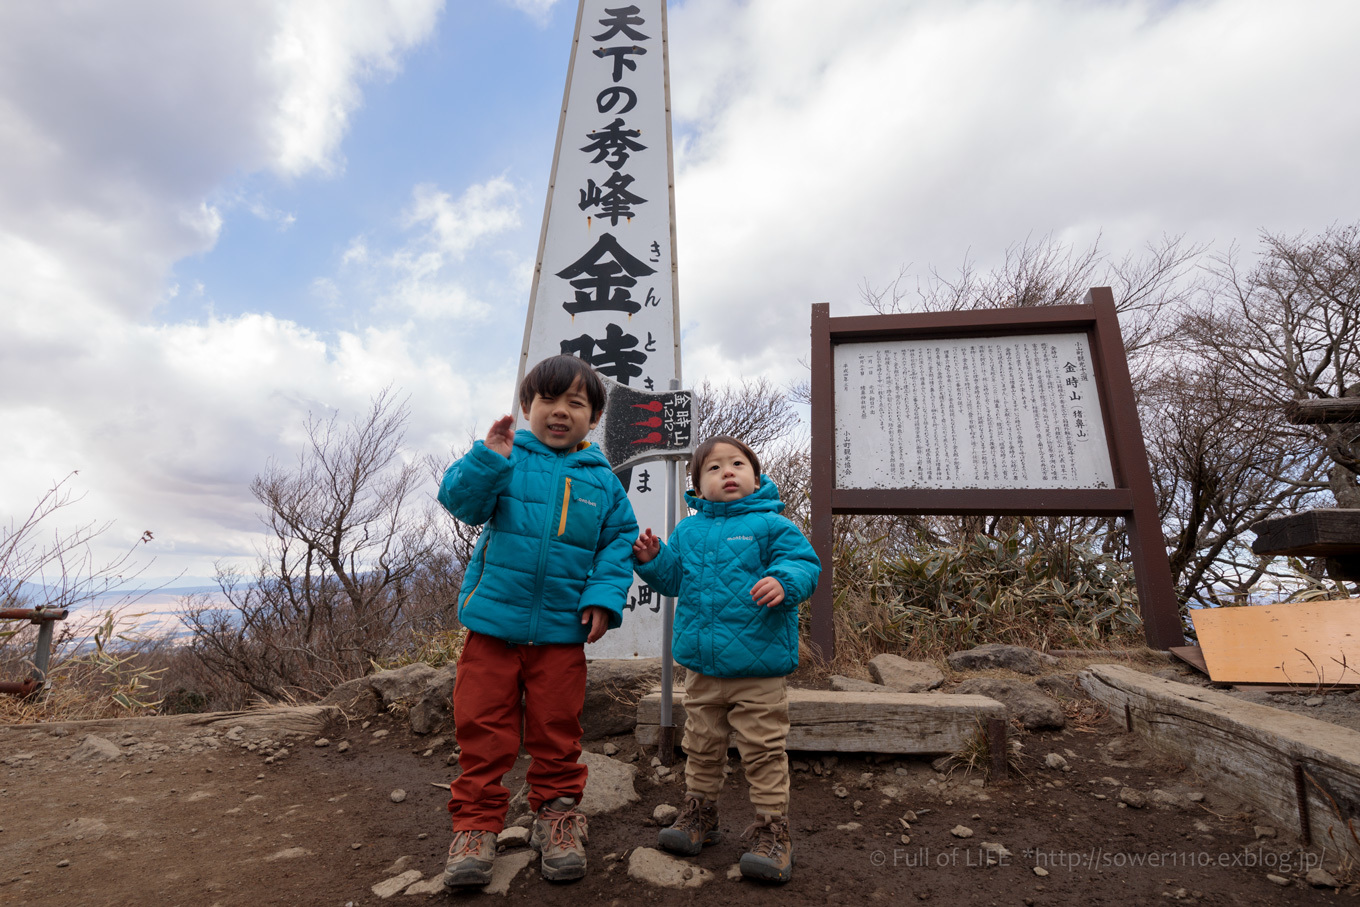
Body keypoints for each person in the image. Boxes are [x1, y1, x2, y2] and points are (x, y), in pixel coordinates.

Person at [437, 355, 637, 887]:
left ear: (593, 418)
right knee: (482, 727)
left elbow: (617, 544)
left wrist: (603, 597)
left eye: (576, 403)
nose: (560, 411)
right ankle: (477, 826)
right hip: (492, 628)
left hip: (560, 632)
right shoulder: (506, 460)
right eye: (549, 400)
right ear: (527, 407)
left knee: (557, 729)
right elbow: (461, 502)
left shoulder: (603, 480)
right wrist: (487, 458)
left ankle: (557, 817)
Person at [632, 435, 821, 884]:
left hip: (759, 670)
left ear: (756, 477)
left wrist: (784, 581)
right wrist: (654, 560)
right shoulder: (689, 530)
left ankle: (773, 829)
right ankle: (700, 812)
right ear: (697, 485)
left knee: (762, 750)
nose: (728, 472)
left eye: (738, 463)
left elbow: (805, 564)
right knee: (701, 743)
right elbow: (674, 579)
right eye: (714, 468)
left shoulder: (772, 524)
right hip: (702, 668)